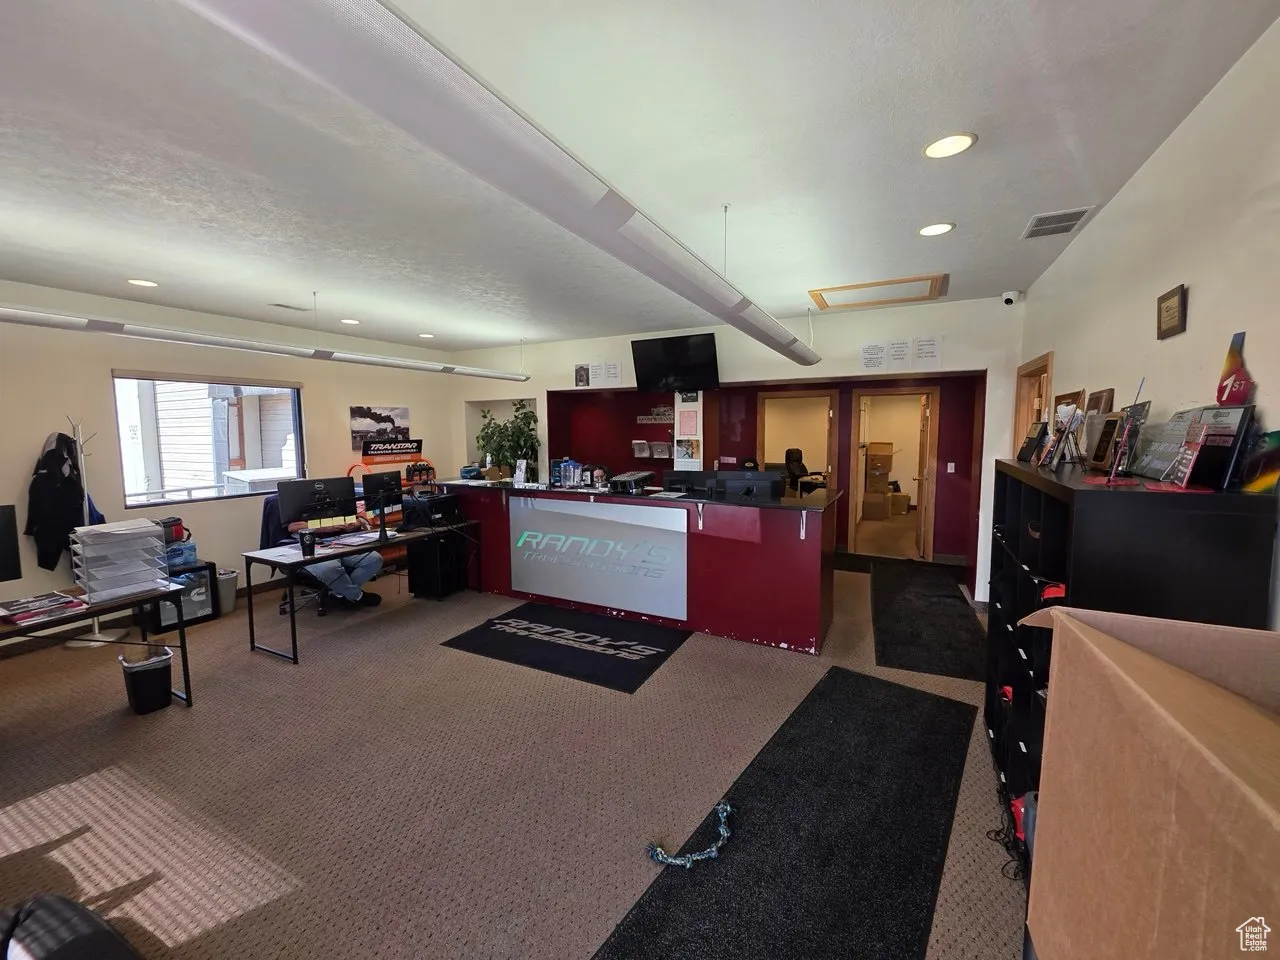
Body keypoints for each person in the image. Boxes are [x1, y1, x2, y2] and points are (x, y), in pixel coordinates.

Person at [285, 514, 383, 608]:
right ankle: (357, 596)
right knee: (329, 567)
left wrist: (355, 523)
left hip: (341, 542)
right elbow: (292, 527)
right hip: (313, 545)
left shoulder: (335, 499)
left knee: (374, 559)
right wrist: (325, 527)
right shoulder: (296, 502)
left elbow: (356, 518)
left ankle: (339, 593)